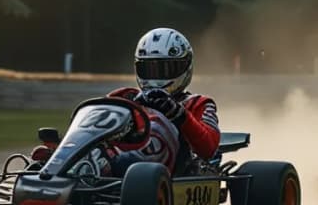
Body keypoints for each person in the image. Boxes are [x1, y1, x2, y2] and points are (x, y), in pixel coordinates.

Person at [31, 28, 221, 175]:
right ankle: (68, 160)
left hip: (168, 172)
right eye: (150, 70)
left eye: (165, 69)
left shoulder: (198, 103)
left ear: (185, 67)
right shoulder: (123, 96)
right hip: (116, 161)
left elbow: (209, 148)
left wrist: (178, 115)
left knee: (160, 122)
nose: (156, 78)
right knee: (94, 115)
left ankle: (106, 166)